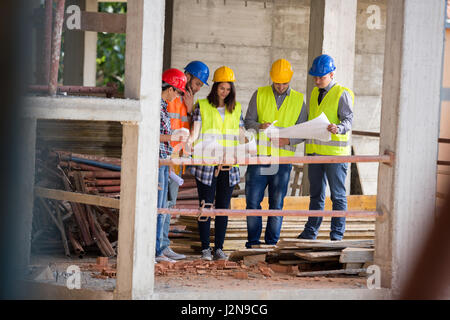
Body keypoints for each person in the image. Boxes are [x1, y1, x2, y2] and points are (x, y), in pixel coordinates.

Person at [244, 58, 307, 248]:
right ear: (272, 79)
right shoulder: (260, 94)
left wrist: (288, 140)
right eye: (278, 83)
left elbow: (303, 130)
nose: (281, 86)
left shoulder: (298, 100)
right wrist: (259, 126)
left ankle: (271, 244)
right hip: (259, 158)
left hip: (283, 160)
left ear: (290, 80)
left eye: (284, 83)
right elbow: (248, 122)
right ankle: (253, 243)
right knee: (253, 203)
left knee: (276, 204)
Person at [186, 66, 246, 261]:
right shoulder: (202, 106)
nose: (225, 92)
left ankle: (219, 248)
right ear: (215, 87)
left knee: (222, 207)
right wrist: (189, 142)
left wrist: (250, 144)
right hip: (206, 165)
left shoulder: (236, 108)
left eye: (228, 89)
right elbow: (195, 131)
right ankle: (205, 249)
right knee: (206, 206)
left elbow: (241, 133)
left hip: (228, 164)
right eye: (222, 88)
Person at [297, 54, 354, 241]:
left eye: (321, 77)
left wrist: (338, 128)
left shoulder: (341, 93)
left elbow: (348, 120)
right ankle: (310, 232)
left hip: (335, 156)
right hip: (315, 153)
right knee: (316, 195)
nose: (317, 80)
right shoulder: (314, 93)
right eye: (315, 77)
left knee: (337, 196)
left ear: (331, 74)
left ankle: (337, 235)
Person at [163, 61, 210, 261]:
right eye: (197, 83)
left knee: (169, 204)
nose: (198, 88)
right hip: (163, 157)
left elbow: (192, 134)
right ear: (188, 76)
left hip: (176, 160)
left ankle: (163, 245)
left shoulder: (189, 102)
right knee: (161, 203)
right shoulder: (170, 95)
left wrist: (190, 111)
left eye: (201, 85)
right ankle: (158, 246)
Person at [155, 68, 187, 263]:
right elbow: (151, 134)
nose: (177, 97)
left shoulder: (163, 106)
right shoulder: (155, 106)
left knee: (163, 206)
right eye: (178, 92)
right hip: (157, 161)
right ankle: (156, 251)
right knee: (158, 207)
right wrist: (172, 136)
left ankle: (160, 248)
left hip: (165, 161)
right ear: (170, 88)